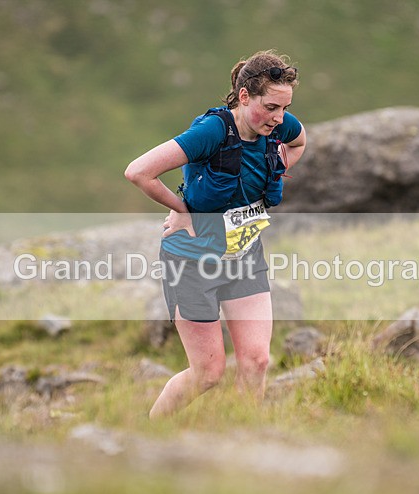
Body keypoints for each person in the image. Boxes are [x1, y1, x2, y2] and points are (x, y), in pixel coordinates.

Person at [125, 50, 306, 419]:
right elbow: (138, 171)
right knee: (208, 374)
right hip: (191, 264)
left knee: (257, 361)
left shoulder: (280, 127)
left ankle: (242, 441)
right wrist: (183, 211)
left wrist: (275, 168)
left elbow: (300, 141)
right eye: (271, 107)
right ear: (244, 96)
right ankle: (147, 434)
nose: (279, 118)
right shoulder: (212, 132)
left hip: (245, 259)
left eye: (284, 108)